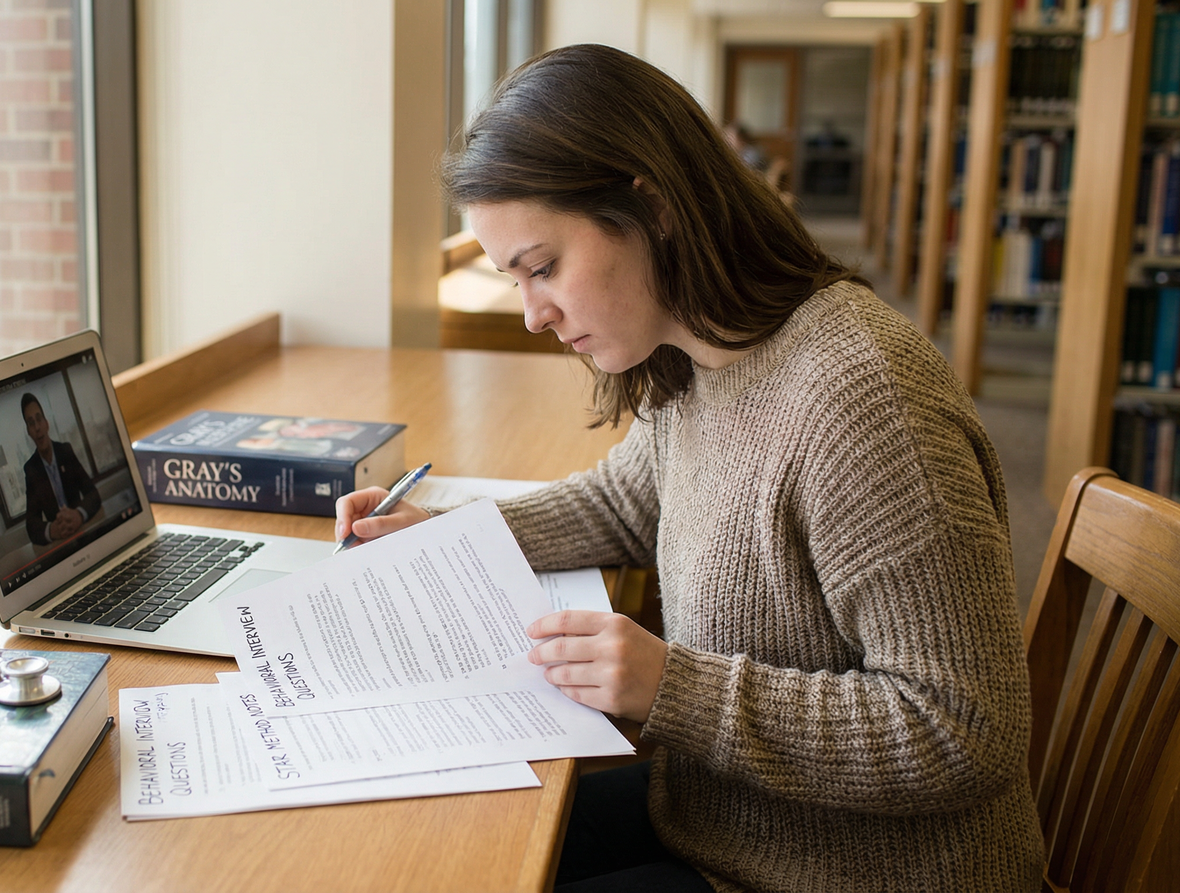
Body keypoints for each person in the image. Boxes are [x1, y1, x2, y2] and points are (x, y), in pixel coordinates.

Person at [335, 44, 1041, 893]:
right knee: (445, 851)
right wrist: (446, 534)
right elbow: (629, 501)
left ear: (653, 206)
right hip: (725, 817)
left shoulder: (863, 401)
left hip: (854, 871)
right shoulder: (698, 351)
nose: (532, 316)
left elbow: (963, 730)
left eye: (544, 268)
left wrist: (674, 686)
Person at [20, 392, 101, 546]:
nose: (37, 427)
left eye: (39, 419)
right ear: (29, 432)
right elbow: (31, 524)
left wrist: (78, 515)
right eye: (31, 423)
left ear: (46, 423)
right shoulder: (31, 469)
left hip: (83, 534)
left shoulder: (65, 451)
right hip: (61, 545)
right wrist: (52, 530)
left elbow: (93, 494)